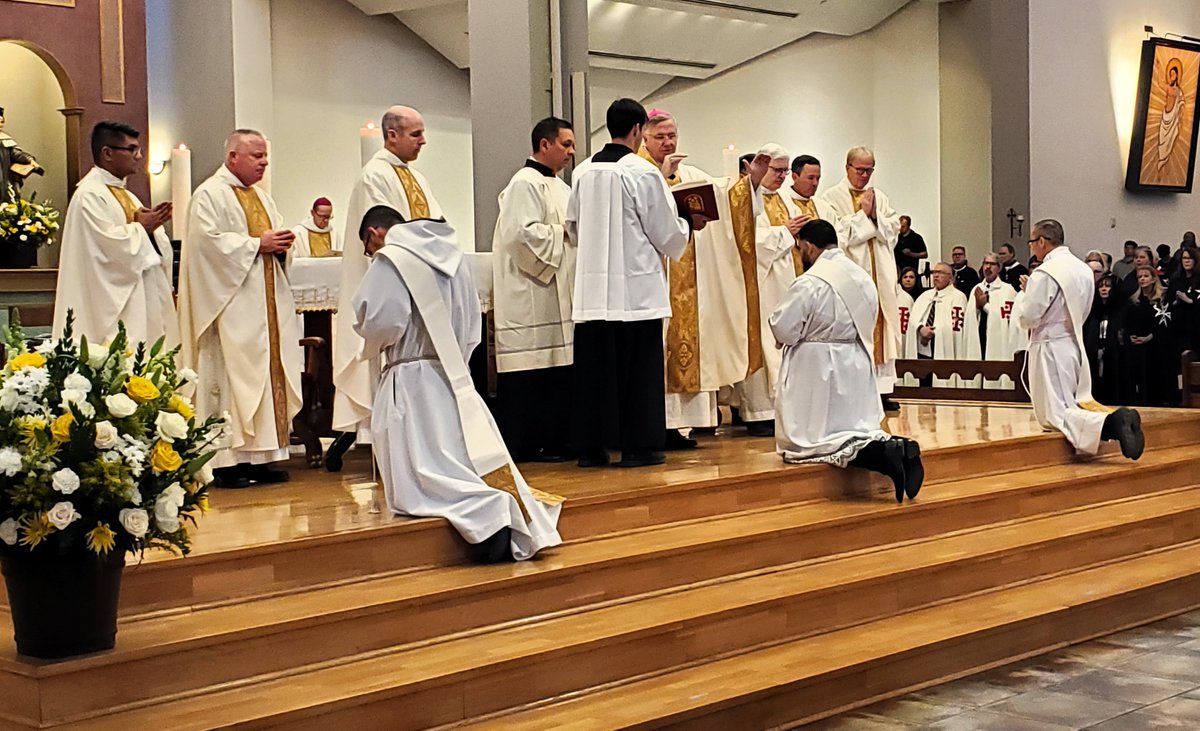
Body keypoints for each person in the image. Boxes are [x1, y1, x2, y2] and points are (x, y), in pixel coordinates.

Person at [352, 205, 562, 562]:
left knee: (424, 476)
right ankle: (495, 513)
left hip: (409, 378)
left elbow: (380, 322)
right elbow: (471, 327)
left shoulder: (392, 261)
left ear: (378, 233)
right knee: (459, 463)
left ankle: (486, 515)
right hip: (452, 379)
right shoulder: (456, 259)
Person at [565, 98, 698, 468]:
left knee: (595, 373)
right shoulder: (642, 172)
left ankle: (592, 448)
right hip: (635, 291)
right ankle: (639, 446)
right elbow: (665, 233)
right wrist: (688, 225)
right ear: (639, 130)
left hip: (592, 292)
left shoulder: (583, 171)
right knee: (637, 372)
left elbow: (572, 226)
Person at [178, 129, 302, 488]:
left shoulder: (262, 199)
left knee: (266, 374)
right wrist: (255, 244)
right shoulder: (209, 196)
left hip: (266, 307)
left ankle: (262, 456)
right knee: (232, 377)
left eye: (265, 156)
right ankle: (227, 462)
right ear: (233, 157)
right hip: (230, 310)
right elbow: (206, 248)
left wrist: (282, 247)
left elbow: (272, 241)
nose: (264, 163)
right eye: (256, 156)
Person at [771, 219, 923, 504]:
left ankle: (885, 455)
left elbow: (784, 327)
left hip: (816, 367)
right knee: (854, 427)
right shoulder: (862, 277)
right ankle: (897, 447)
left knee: (814, 440)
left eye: (800, 247)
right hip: (854, 360)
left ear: (809, 246)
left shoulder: (810, 281)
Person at [329, 105, 444, 471]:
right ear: (391, 135)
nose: (423, 141)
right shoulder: (374, 177)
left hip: (419, 284)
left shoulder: (416, 178)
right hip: (393, 287)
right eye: (416, 134)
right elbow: (384, 237)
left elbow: (436, 224)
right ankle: (388, 444)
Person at [638, 110, 750, 446]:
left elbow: (724, 196)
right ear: (644, 137)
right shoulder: (637, 172)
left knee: (690, 339)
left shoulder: (689, 173)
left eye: (672, 135)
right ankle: (657, 423)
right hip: (652, 279)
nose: (668, 142)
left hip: (688, 279)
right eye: (660, 137)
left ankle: (686, 422)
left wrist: (743, 185)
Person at [1013, 219, 1143, 459]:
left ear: (1042, 242)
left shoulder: (1045, 272)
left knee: (1054, 414)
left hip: (1049, 347)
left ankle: (1112, 424)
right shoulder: (1083, 269)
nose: (1031, 247)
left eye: (1032, 242)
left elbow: (1028, 317)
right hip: (1072, 343)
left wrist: (1025, 293)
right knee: (1067, 403)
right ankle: (1107, 427)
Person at [492, 116, 577, 463]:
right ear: (544, 144)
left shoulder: (562, 187)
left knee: (557, 369)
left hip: (555, 291)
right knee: (533, 370)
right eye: (566, 144)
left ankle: (556, 440)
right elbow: (520, 235)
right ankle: (527, 443)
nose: (572, 151)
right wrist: (567, 233)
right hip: (532, 290)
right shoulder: (523, 183)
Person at [52, 121, 177, 348]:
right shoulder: (89, 195)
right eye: (131, 149)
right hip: (113, 304)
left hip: (141, 296)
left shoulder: (127, 196)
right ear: (107, 153)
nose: (139, 156)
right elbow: (105, 250)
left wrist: (153, 230)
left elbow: (148, 246)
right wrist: (142, 229)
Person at [823, 146, 903, 411]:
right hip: (853, 275)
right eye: (860, 170)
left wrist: (875, 215)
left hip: (880, 275)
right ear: (847, 167)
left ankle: (883, 390)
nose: (865, 175)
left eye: (870, 170)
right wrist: (864, 216)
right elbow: (837, 234)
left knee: (884, 328)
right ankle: (860, 389)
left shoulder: (879, 196)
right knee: (857, 328)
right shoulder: (831, 197)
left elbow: (893, 229)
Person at [905, 263, 970, 386]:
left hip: (943, 347)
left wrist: (933, 333)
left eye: (940, 273)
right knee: (923, 384)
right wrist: (920, 328)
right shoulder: (925, 296)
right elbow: (913, 319)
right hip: (922, 351)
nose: (936, 276)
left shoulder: (958, 297)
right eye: (934, 272)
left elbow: (956, 326)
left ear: (950, 277)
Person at [964, 253, 1020, 388]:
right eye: (985, 263)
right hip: (979, 335)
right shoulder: (976, 289)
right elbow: (969, 318)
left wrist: (985, 306)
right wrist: (977, 308)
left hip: (997, 338)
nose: (987, 267)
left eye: (992, 264)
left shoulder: (1008, 290)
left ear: (999, 268)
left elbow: (1006, 319)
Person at [1126, 265, 1173, 406]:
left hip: (1157, 347)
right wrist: (1131, 336)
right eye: (1140, 277)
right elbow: (1128, 322)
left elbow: (1165, 325)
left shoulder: (1163, 299)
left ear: (1153, 279)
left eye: (1146, 276)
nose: (1142, 279)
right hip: (1139, 348)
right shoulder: (1134, 301)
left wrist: (1149, 337)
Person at [1084, 273, 1126, 404]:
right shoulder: (1092, 312)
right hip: (1095, 354)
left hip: (1114, 355)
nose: (1103, 289)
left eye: (1108, 286)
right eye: (1101, 286)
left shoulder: (1120, 311)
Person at [1166, 247, 1200, 404]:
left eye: (1189, 258)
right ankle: (1180, 397)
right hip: (1179, 329)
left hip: (1196, 328)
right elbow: (1168, 303)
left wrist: (1189, 300)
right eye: (1184, 258)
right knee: (1179, 364)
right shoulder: (1176, 279)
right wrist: (1176, 301)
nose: (1186, 261)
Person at [0, 107, 44, 201]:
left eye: (2, 121)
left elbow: (16, 154)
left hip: (3, 180)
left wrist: (30, 160)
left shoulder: (4, 139)